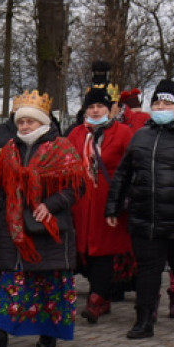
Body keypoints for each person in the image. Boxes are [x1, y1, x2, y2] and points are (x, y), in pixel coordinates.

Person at [0, 91, 85, 347]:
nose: (25, 126)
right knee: (11, 281)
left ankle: (49, 331)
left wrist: (50, 205)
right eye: (21, 121)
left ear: (43, 122)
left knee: (48, 282)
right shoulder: (9, 150)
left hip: (47, 227)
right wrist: (0, 210)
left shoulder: (61, 148)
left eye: (30, 121)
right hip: (14, 228)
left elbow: (75, 186)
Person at [106, 79, 174, 338]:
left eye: (166, 103)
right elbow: (123, 174)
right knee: (147, 273)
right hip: (146, 219)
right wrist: (113, 206)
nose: (161, 107)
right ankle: (144, 321)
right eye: (156, 103)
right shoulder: (141, 136)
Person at [66, 85, 133, 324]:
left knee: (104, 250)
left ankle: (98, 298)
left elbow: (132, 167)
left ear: (110, 109)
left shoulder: (123, 133)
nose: (95, 111)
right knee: (85, 249)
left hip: (108, 202)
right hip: (81, 204)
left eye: (100, 106)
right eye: (91, 107)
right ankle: (99, 295)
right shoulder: (76, 134)